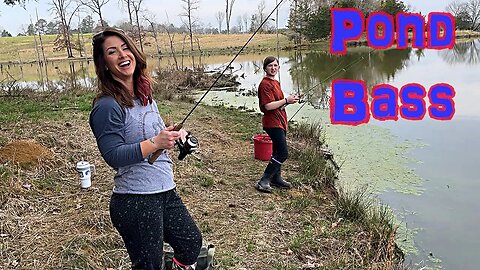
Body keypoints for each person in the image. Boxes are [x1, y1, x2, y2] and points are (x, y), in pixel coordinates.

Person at [89, 27, 202, 270]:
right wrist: (155, 143)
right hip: (135, 200)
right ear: (104, 64)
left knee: (191, 243)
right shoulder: (107, 106)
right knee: (149, 266)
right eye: (112, 52)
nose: (122, 55)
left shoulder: (144, 96)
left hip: (164, 190)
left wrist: (173, 135)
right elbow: (113, 155)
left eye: (125, 47)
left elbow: (156, 134)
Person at [256, 56, 299, 193]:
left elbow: (277, 104)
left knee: (276, 151)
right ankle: (264, 180)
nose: (273, 68)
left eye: (275, 66)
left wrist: (288, 101)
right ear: (265, 68)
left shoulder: (275, 83)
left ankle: (276, 178)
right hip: (272, 123)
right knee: (282, 153)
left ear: (279, 68)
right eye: (270, 66)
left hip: (280, 121)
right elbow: (268, 106)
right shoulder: (265, 84)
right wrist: (285, 99)